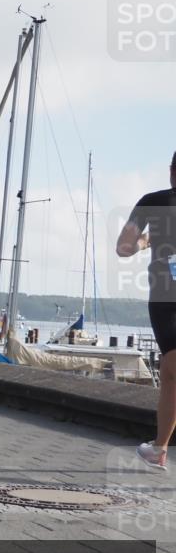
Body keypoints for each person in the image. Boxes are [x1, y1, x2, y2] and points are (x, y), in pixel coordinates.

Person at [116, 150, 176, 472]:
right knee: (169, 372)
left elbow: (123, 248)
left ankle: (160, 447)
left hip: (166, 299)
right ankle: (160, 448)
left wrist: (145, 242)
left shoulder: (152, 200)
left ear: (171, 171)